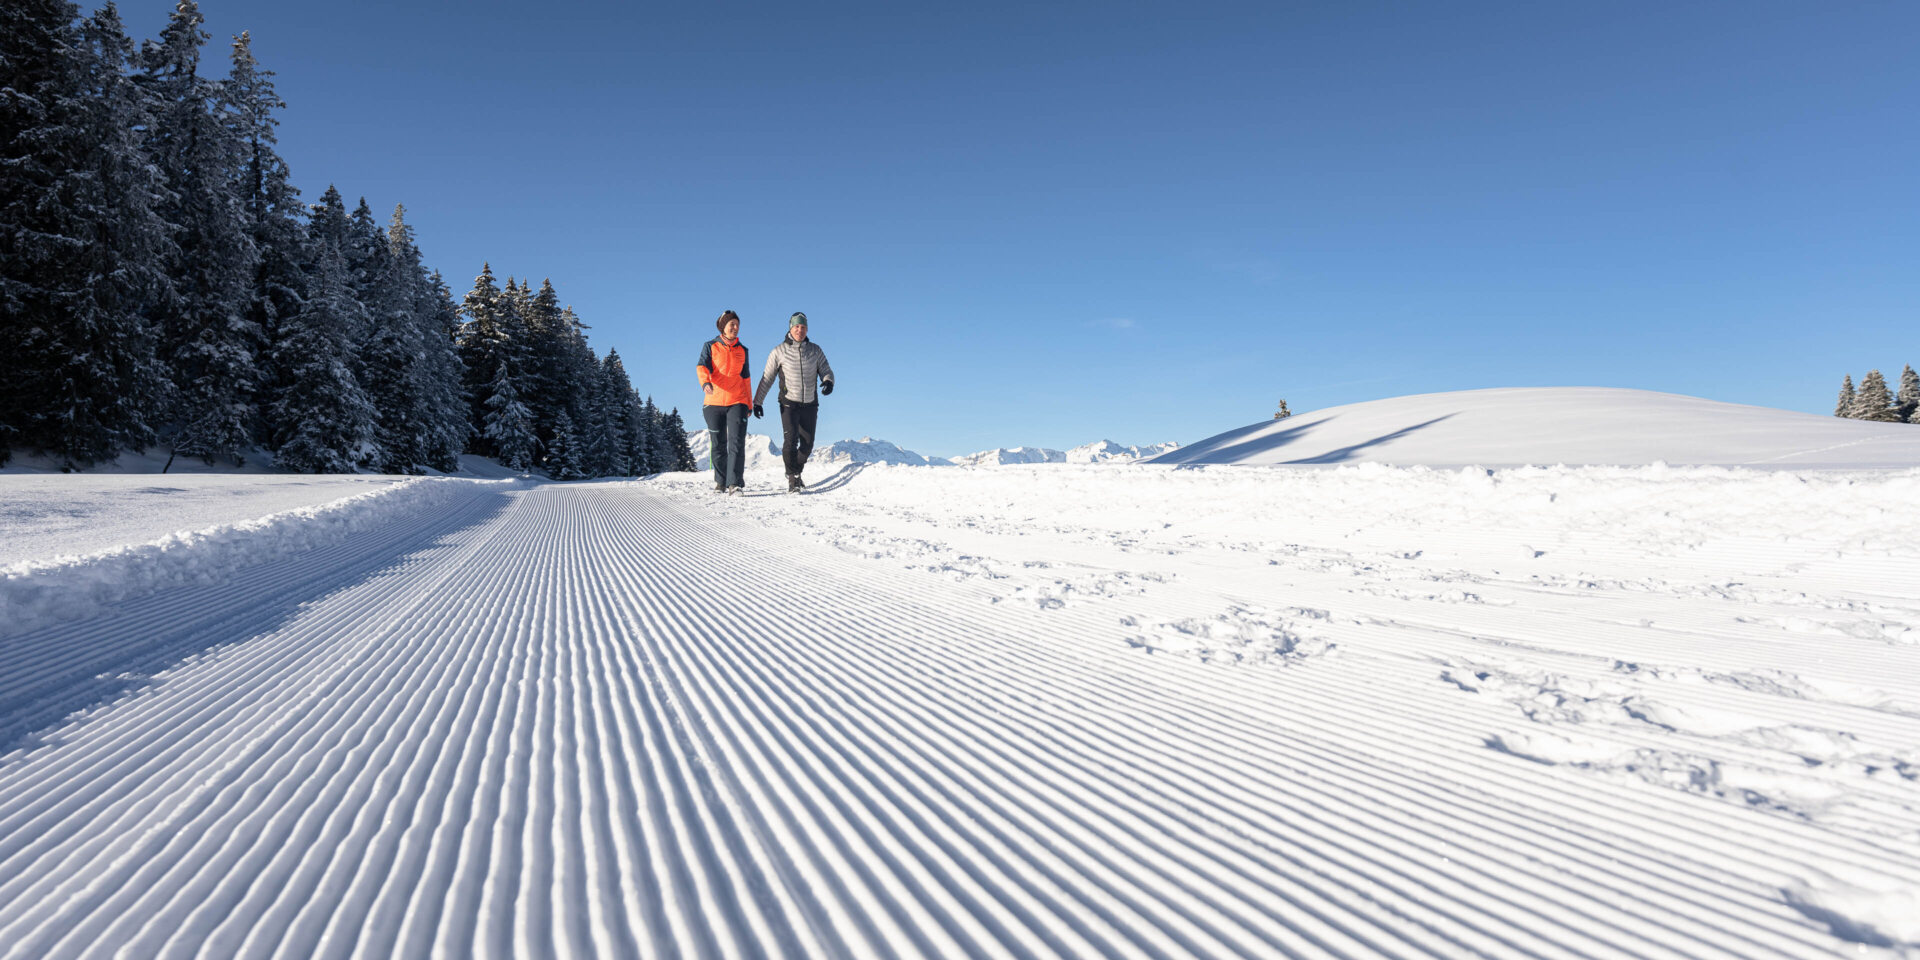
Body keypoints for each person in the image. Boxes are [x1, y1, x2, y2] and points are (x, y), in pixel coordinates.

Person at [753, 311, 836, 492]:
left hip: (810, 403)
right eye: (797, 326)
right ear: (791, 328)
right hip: (788, 402)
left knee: (807, 444)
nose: (800, 330)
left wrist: (828, 381)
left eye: (803, 327)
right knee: (790, 440)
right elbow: (767, 378)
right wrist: (758, 402)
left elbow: (825, 369)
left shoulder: (815, 350)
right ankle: (792, 476)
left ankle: (797, 471)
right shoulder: (779, 351)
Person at [696, 310, 753, 494]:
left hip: (737, 401)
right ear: (723, 327)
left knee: (736, 442)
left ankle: (734, 483)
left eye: (737, 324)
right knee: (718, 443)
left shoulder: (743, 350)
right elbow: (702, 366)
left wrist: (749, 404)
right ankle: (721, 482)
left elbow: (746, 379)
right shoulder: (710, 346)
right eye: (732, 324)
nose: (735, 328)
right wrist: (705, 383)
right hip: (713, 402)